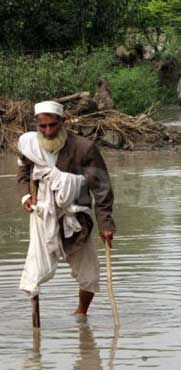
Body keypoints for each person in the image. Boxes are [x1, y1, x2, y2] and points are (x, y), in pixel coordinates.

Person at [17, 101, 115, 316]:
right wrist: (26, 195)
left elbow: (101, 188)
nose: (48, 131)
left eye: (53, 125)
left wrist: (105, 224)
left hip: (76, 217)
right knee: (35, 270)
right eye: (42, 127)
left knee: (89, 275)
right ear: (37, 125)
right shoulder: (30, 146)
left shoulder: (84, 148)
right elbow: (24, 172)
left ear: (64, 122)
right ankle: (36, 331)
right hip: (43, 215)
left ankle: (81, 315)